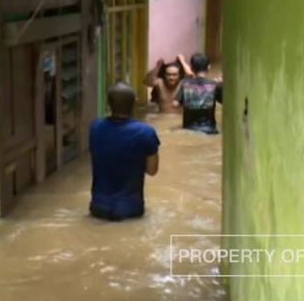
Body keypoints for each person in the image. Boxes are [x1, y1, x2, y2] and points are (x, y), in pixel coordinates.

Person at [89, 82, 160, 221]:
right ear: (134, 103)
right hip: (130, 210)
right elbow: (152, 171)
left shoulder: (95, 127)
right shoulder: (146, 132)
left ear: (108, 104)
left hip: (98, 208)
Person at [173, 53, 223, 134]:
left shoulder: (185, 84)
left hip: (188, 129)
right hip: (210, 129)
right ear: (208, 67)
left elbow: (175, 104)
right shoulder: (215, 85)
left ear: (192, 68)